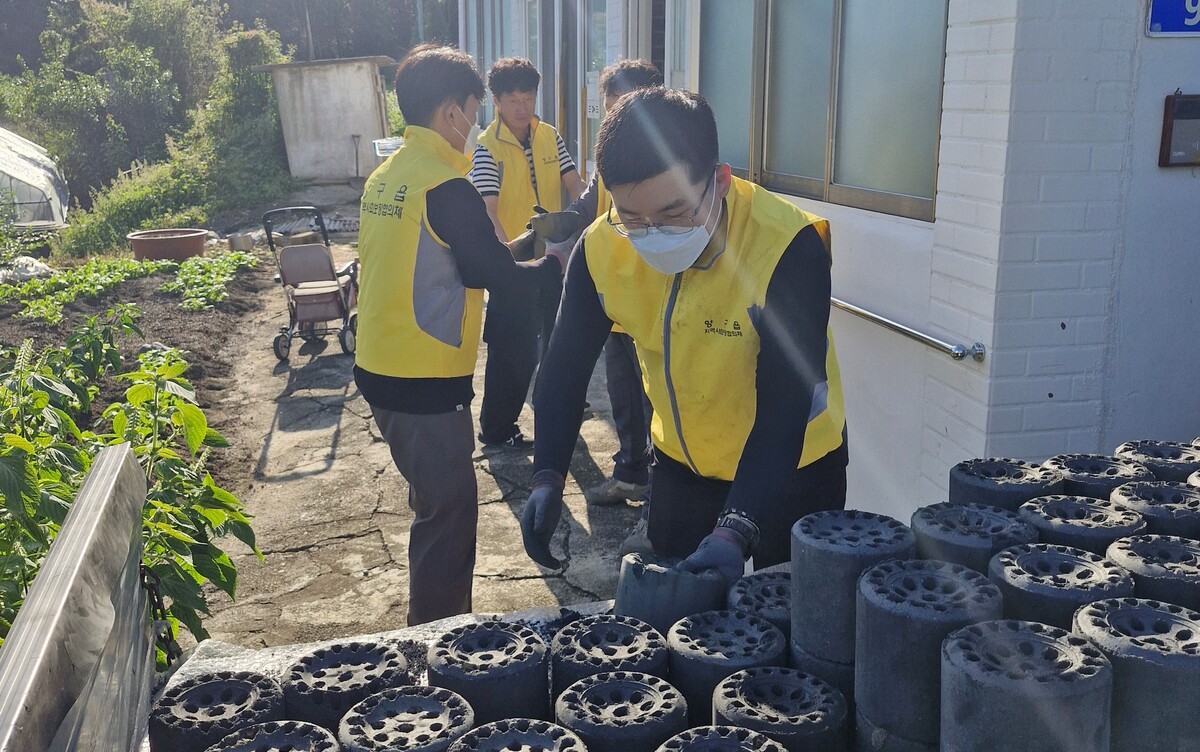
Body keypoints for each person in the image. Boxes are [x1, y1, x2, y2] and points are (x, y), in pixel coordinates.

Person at [520, 88, 849, 584]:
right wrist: (547, 475)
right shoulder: (603, 249)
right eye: (632, 216)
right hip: (682, 468)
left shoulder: (787, 247)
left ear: (719, 180)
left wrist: (736, 530)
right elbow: (563, 370)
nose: (652, 232)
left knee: (790, 626)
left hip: (795, 468)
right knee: (686, 630)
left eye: (675, 214)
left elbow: (787, 405)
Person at [353, 44, 560, 625]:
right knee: (448, 517)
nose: (475, 124)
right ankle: (436, 647)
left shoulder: (388, 176)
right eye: (474, 110)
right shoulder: (448, 185)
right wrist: (557, 264)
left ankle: (438, 631)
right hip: (424, 381)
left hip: (380, 367)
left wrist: (521, 248)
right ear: (451, 113)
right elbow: (492, 275)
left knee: (434, 503)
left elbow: (461, 255)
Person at [559, 60, 663, 510]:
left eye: (624, 106)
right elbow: (587, 207)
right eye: (608, 108)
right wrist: (544, 230)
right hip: (615, 300)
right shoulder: (609, 161)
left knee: (657, 401)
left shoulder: (666, 161)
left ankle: (664, 492)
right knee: (622, 394)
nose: (613, 117)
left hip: (656, 303)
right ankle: (631, 474)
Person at [470, 57, 585, 449]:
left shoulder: (550, 135)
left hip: (556, 256)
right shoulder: (485, 149)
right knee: (511, 352)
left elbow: (576, 186)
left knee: (562, 337)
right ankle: (497, 428)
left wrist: (579, 229)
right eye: (513, 99)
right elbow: (487, 214)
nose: (522, 107)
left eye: (529, 97)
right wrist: (507, 263)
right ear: (496, 101)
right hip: (516, 264)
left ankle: (556, 405)